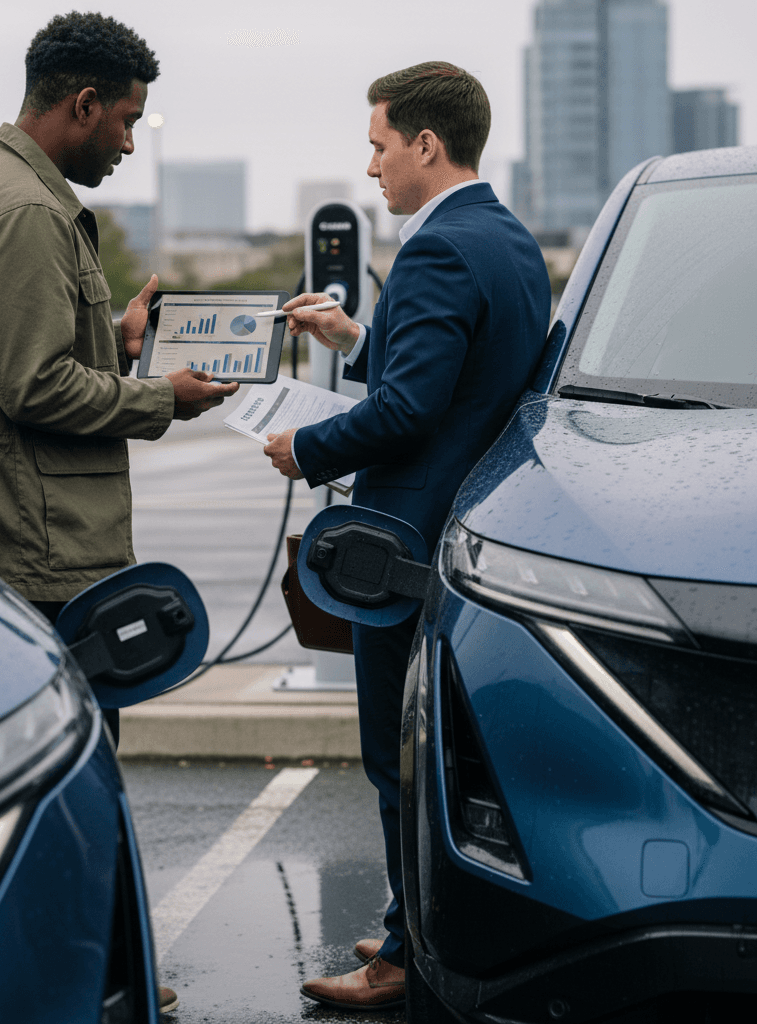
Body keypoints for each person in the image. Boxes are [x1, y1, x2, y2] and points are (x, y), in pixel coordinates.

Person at [0, 12, 239, 1014]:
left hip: (16, 527)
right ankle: (85, 977)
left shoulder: (2, 188)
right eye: (125, 121)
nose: (131, 143)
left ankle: (76, 966)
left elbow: (41, 355)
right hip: (35, 542)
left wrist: (119, 333)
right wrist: (161, 398)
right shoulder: (25, 211)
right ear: (81, 104)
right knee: (68, 773)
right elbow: (33, 388)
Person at [263, 62, 551, 1011]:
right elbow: (463, 377)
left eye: (381, 146)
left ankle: (403, 959)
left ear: (428, 145)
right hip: (470, 531)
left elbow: (409, 410)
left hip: (404, 544)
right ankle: (412, 926)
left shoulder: (432, 251)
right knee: (441, 755)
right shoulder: (506, 239)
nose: (373, 167)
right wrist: (354, 337)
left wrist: (303, 445)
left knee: (398, 756)